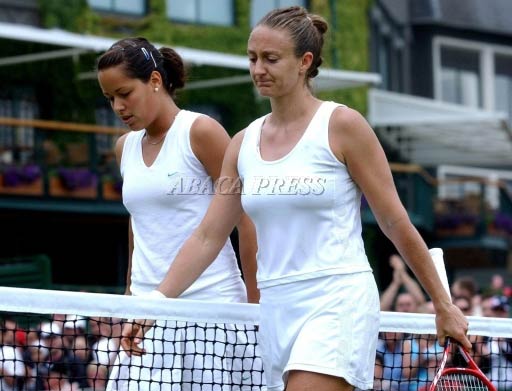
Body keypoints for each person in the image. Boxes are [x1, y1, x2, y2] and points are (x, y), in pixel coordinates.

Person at [120, 6, 471, 391]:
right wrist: (154, 303)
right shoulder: (242, 143)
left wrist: (442, 303)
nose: (258, 69)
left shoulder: (343, 125)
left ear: (305, 62)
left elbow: (394, 221)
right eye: (252, 58)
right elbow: (208, 237)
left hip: (336, 300)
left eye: (271, 59)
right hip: (274, 309)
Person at [95, 37, 260, 390]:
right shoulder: (124, 146)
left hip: (209, 311)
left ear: (155, 81)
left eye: (125, 93)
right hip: (144, 316)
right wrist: (130, 296)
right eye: (110, 99)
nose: (118, 106)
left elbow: (246, 218)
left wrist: (256, 302)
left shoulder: (201, 131)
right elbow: (139, 222)